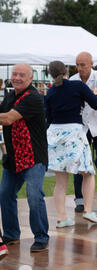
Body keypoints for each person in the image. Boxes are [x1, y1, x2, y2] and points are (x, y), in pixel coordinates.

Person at [45, 61, 97, 227]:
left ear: (50, 74)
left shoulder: (50, 92)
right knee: (88, 173)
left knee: (60, 181)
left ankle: (62, 218)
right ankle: (88, 210)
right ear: (67, 71)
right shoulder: (78, 86)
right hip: (74, 132)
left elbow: (48, 118)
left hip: (55, 134)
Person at [0, 63, 50, 252]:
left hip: (33, 157)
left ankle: (41, 237)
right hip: (13, 158)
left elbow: (8, 119)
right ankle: (11, 234)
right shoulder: (11, 95)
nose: (17, 78)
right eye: (14, 74)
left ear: (30, 79)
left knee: (34, 196)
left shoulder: (33, 98)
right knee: (5, 194)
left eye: (22, 75)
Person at [70, 52, 97, 213]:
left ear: (91, 64)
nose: (80, 68)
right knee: (79, 163)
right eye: (77, 65)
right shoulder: (73, 80)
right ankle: (79, 199)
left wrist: (96, 92)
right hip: (81, 127)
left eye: (83, 65)